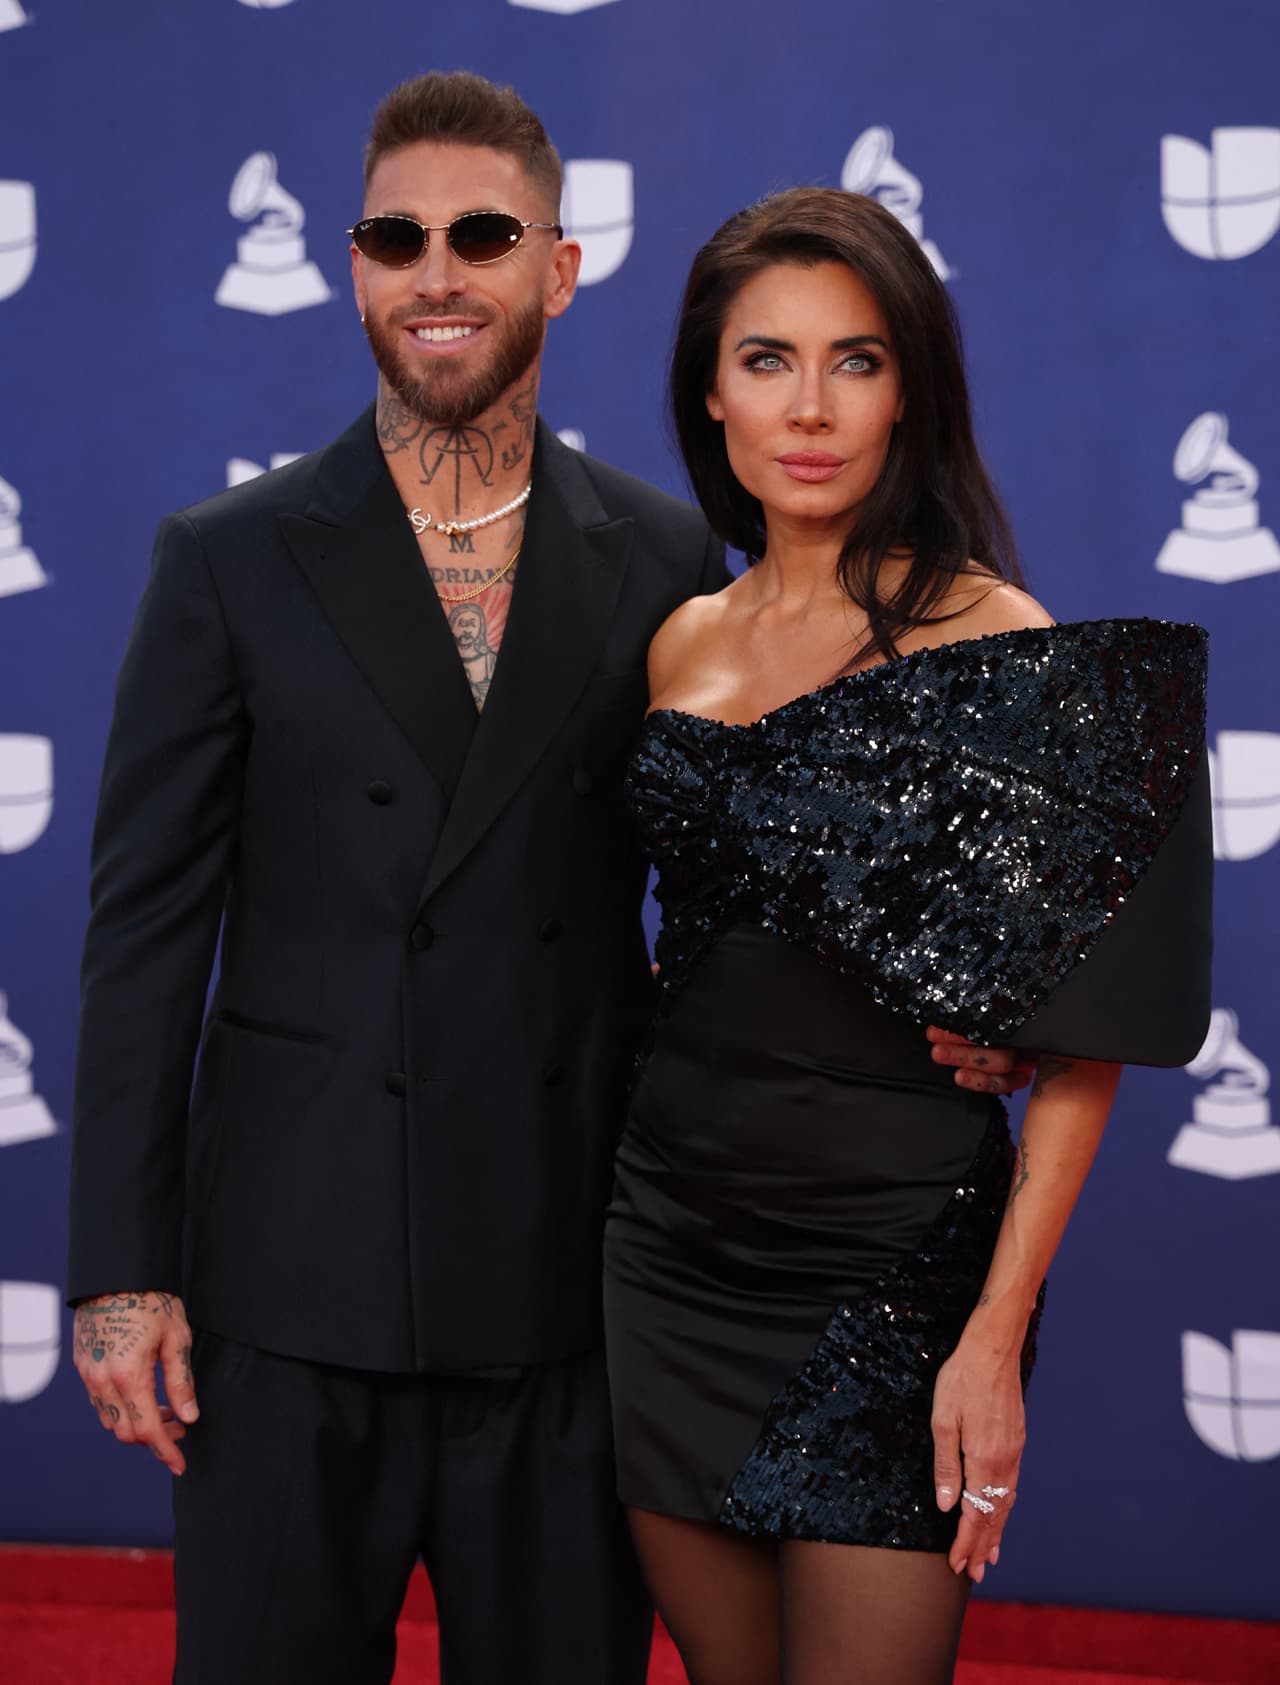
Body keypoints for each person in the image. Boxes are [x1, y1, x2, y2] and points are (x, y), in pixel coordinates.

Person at [65, 77, 1028, 1685]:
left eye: (482, 234)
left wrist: (968, 1014)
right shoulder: (224, 558)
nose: (437, 270)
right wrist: (117, 1266)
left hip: (573, 1288)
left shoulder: (660, 561)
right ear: (354, 268)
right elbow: (144, 935)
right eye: (398, 237)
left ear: (558, 270)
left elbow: (747, 872)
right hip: (287, 1284)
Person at [602, 187, 1212, 1685]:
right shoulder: (683, 636)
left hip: (893, 1262)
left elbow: (1085, 1038)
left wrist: (995, 1333)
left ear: (910, 393)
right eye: (768, 360)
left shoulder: (996, 635)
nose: (810, 408)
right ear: (709, 388)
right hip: (664, 1248)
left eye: (856, 360)